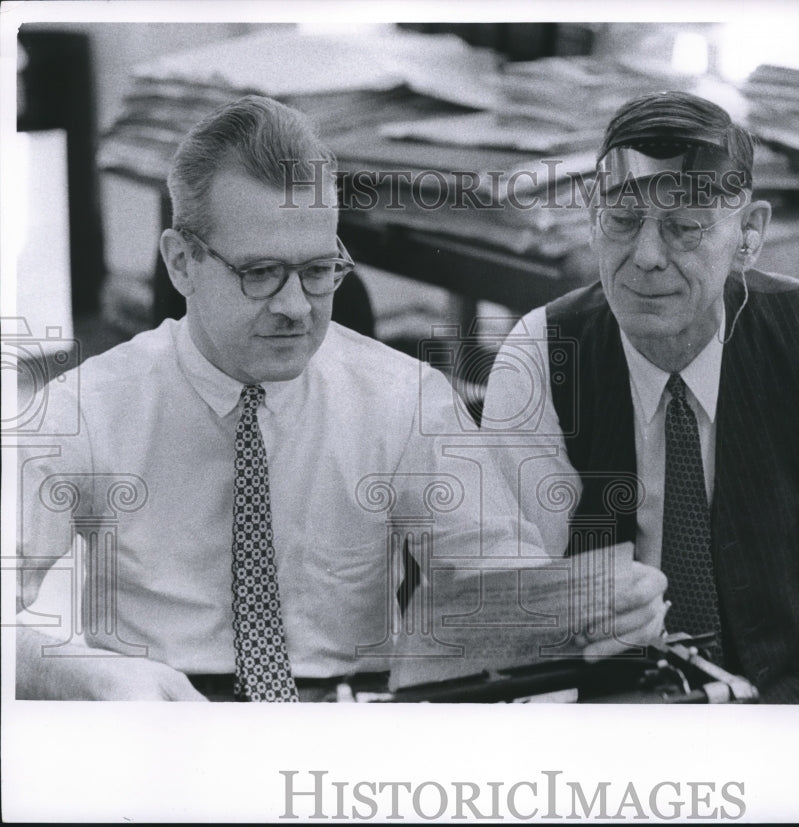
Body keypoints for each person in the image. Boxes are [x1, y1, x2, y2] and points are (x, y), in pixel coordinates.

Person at [15, 95, 667, 701]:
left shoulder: (408, 400)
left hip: (347, 726)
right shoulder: (85, 407)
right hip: (160, 718)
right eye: (261, 273)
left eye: (319, 270)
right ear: (182, 261)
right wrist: (80, 672)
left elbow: (503, 587)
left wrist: (585, 611)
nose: (296, 307)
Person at [482, 90, 799, 704]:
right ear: (590, 216)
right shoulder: (541, 354)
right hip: (616, 706)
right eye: (622, 220)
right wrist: (565, 612)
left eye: (685, 229)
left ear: (748, 233)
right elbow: (504, 580)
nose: (646, 258)